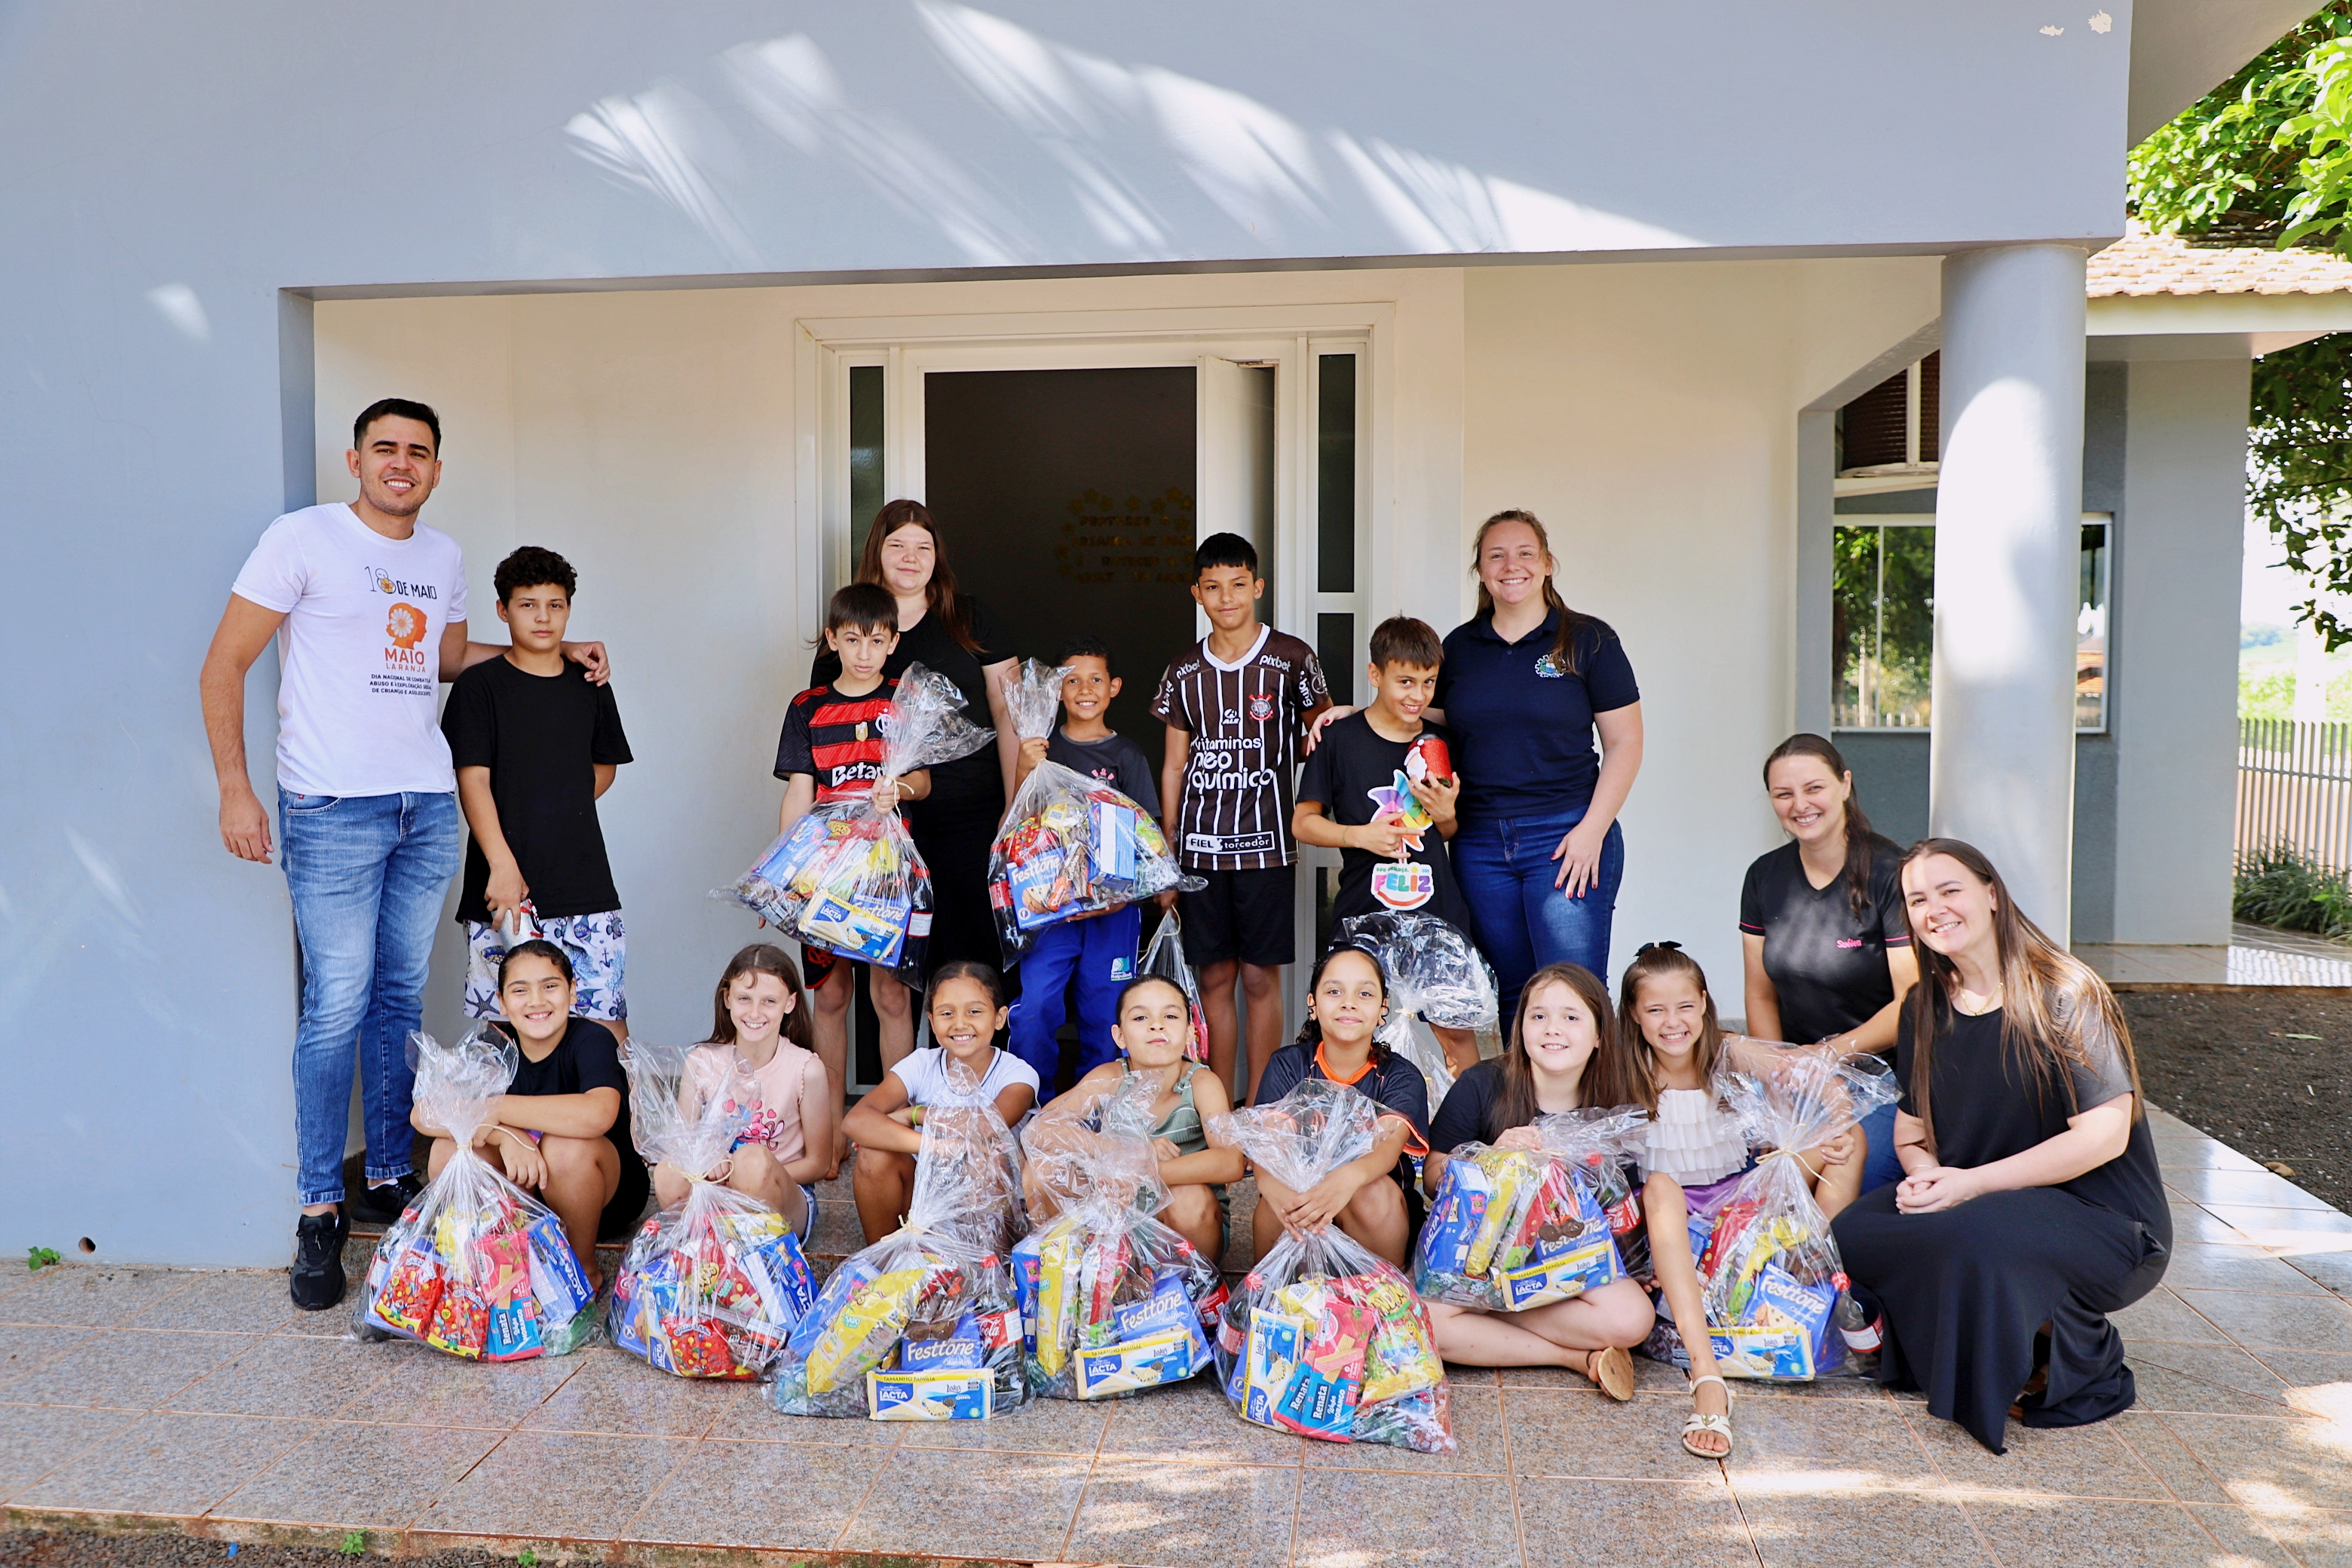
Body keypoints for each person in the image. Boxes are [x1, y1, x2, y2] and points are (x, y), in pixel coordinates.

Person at [198, 397, 607, 1309]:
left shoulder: (442, 556)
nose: (401, 463)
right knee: (336, 1003)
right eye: (384, 448)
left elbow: (447, 660)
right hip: (331, 805)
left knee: (397, 996)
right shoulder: (302, 538)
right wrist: (235, 789)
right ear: (355, 460)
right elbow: (223, 665)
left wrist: (549, 644)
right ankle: (319, 1209)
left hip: (425, 806)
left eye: (418, 452)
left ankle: (387, 1172)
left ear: (435, 469)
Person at [1831, 840, 2170, 1455]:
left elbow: (2103, 1135)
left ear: (1991, 894)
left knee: (1973, 1235)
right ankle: (1988, 1345)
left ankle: (2077, 1355)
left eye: (1949, 890)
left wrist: (1970, 1184)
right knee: (1855, 1230)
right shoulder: (1924, 1006)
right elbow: (1912, 1130)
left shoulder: (2065, 992)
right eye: (1917, 899)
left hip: (2104, 1222)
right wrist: (1926, 1174)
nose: (1934, 909)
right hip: (1985, 1205)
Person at [1316, 510, 1641, 1020]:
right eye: (1497, 555)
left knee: (1573, 991)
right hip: (1481, 843)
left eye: (1525, 553)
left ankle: (1584, 1081)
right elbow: (1430, 709)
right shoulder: (1461, 648)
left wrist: (1592, 831)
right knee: (1509, 991)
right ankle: (1520, 1080)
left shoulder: (1588, 640)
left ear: (1548, 563)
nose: (1512, 565)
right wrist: (1362, 713)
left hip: (1565, 835)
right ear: (1481, 570)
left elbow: (1625, 742)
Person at [1617, 942, 1859, 1460]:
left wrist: (1835, 1125)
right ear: (1634, 1014)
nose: (1673, 1022)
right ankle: (1706, 1373)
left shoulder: (1726, 1052)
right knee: (1661, 1186)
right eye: (1655, 1010)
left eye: (1685, 1006)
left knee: (1847, 1144)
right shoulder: (1622, 1069)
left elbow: (1812, 1075)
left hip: (1737, 1206)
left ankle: (1810, 1270)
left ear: (1705, 1002)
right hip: (1668, 1222)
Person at [1421, 962, 1655, 1398]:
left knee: (1634, 1319)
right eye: (1539, 1016)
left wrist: (1638, 1264)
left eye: (1571, 1017)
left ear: (1599, 1034)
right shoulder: (1482, 1084)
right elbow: (1432, 1177)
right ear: (1521, 1027)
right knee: (1426, 1320)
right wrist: (1491, 1159)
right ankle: (1573, 1357)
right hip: (1479, 1264)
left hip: (1567, 1269)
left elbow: (1621, 1205)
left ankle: (1491, 1318)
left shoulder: (1614, 1105)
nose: (1553, 1029)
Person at [1153, 532, 1331, 1099]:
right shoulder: (1183, 671)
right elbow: (1174, 765)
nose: (1226, 597)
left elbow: (1326, 737)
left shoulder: (1292, 657)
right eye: (1212, 587)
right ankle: (1217, 1105)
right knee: (1214, 978)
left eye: (1237, 585)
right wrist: (1168, 850)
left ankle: (1259, 1106)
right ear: (1196, 594)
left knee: (1258, 978)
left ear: (1257, 587)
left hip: (1267, 848)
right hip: (1201, 850)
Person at [811, 500, 1019, 975]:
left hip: (971, 816)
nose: (911, 557)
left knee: (974, 951)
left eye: (923, 547)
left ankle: (980, 1030)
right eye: (898, 545)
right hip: (880, 824)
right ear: (876, 552)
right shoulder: (852, 630)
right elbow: (824, 735)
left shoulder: (969, 617)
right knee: (887, 963)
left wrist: (1015, 803)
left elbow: (1009, 710)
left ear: (937, 555)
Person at [444, 547, 634, 1043]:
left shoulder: (589, 682)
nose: (543, 617)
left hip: (585, 884)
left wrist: (557, 804)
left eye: (555, 605)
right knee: (509, 1033)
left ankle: (609, 1103)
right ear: (503, 610)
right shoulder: (479, 687)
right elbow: (472, 781)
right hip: (504, 891)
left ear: (569, 609)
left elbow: (604, 766)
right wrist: (502, 865)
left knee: (604, 1031)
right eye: (528, 605)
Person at [774, 583, 932, 1147]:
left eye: (876, 640)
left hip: (888, 871)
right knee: (832, 995)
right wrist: (783, 877)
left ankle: (895, 1130)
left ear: (893, 642)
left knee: (891, 996)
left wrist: (899, 789)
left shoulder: (904, 702)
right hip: (824, 871)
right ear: (832, 639)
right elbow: (799, 792)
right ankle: (831, 1136)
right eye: (852, 639)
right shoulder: (807, 707)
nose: (864, 652)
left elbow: (924, 781)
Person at [1294, 614, 1475, 1073]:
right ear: (1375, 674)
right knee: (1351, 1032)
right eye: (1405, 681)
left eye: (1428, 683)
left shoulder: (1441, 743)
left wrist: (1445, 813)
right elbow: (1303, 823)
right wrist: (1360, 835)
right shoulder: (1339, 740)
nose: (1418, 695)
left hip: (1437, 911)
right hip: (1363, 911)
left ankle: (1470, 1120)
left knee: (1456, 1034)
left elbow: (1447, 831)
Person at [412, 939, 646, 1290]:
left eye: (550, 986)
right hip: (527, 1185)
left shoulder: (591, 1040)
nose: (536, 1001)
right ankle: (488, 1268)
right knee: (449, 1150)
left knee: (564, 1148)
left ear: (572, 991)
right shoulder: (494, 1045)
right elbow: (423, 1114)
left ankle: (582, 1272)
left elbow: (598, 1114)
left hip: (602, 1195)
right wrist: (504, 1135)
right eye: (520, 990)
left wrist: (492, 1108)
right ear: (502, 1001)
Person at [1740, 733, 1917, 1192]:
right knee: (1755, 1174)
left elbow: (1910, 1001)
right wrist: (1776, 1081)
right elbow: (1760, 993)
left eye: (1814, 788)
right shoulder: (1763, 876)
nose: (1800, 805)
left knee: (1844, 1179)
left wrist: (1828, 1055)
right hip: (1795, 1074)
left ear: (1845, 784)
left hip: (1881, 1077)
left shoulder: (1891, 873)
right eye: (1784, 794)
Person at [1006, 637, 1162, 1092]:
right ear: (1057, 690)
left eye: (1096, 679)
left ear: (1115, 687)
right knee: (1036, 1006)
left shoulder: (1127, 756)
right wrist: (1024, 768)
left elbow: (1146, 837)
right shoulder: (1041, 751)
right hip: (1050, 909)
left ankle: (1099, 1107)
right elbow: (1015, 828)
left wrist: (1125, 898)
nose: (1085, 689)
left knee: (1107, 1012)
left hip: (1112, 910)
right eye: (1072, 680)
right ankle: (1033, 1104)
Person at [1021, 975, 1246, 1262]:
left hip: (1185, 1225)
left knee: (1188, 1197)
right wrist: (1122, 1152)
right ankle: (1066, 1270)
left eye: (1170, 1016)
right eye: (1141, 1017)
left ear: (1191, 1032)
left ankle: (1191, 1285)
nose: (1156, 1025)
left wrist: (1143, 1170)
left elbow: (1231, 1161)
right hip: (1115, 1212)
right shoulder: (1111, 1077)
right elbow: (1040, 1128)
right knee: (1042, 1170)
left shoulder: (1201, 1083)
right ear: (1119, 1036)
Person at [1247, 945, 1427, 1267]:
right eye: (1334, 991)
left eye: (1365, 994)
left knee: (1372, 1192)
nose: (1349, 1002)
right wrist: (1280, 1195)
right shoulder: (1287, 1065)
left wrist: (1343, 1182)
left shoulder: (1401, 1076)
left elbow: (1387, 1148)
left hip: (1375, 1214)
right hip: (1300, 1210)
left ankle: (1382, 1292)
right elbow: (1266, 1148)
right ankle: (1279, 1294)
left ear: (1383, 1008)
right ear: (1312, 1004)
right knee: (1280, 1192)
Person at [842, 960, 1040, 1245]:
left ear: (1000, 1018)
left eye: (974, 1011)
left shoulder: (1018, 1073)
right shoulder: (922, 1063)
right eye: (947, 1013)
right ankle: (884, 1261)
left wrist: (914, 1115)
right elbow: (856, 1121)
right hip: (923, 1200)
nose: (960, 1024)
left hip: (990, 1209)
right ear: (932, 1021)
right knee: (874, 1154)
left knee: (985, 1158)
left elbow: (986, 1125)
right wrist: (934, 1144)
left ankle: (986, 1266)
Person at [658, 944, 834, 1241]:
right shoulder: (701, 1062)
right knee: (668, 1171)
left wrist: (747, 1176)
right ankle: (702, 1253)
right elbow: (682, 1146)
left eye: (769, 1001)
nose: (755, 1012)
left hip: (784, 1193)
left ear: (789, 1003)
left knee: (752, 1162)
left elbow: (819, 1163)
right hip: (715, 1190)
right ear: (727, 999)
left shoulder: (806, 1068)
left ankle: (760, 1254)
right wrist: (709, 1170)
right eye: (744, 999)